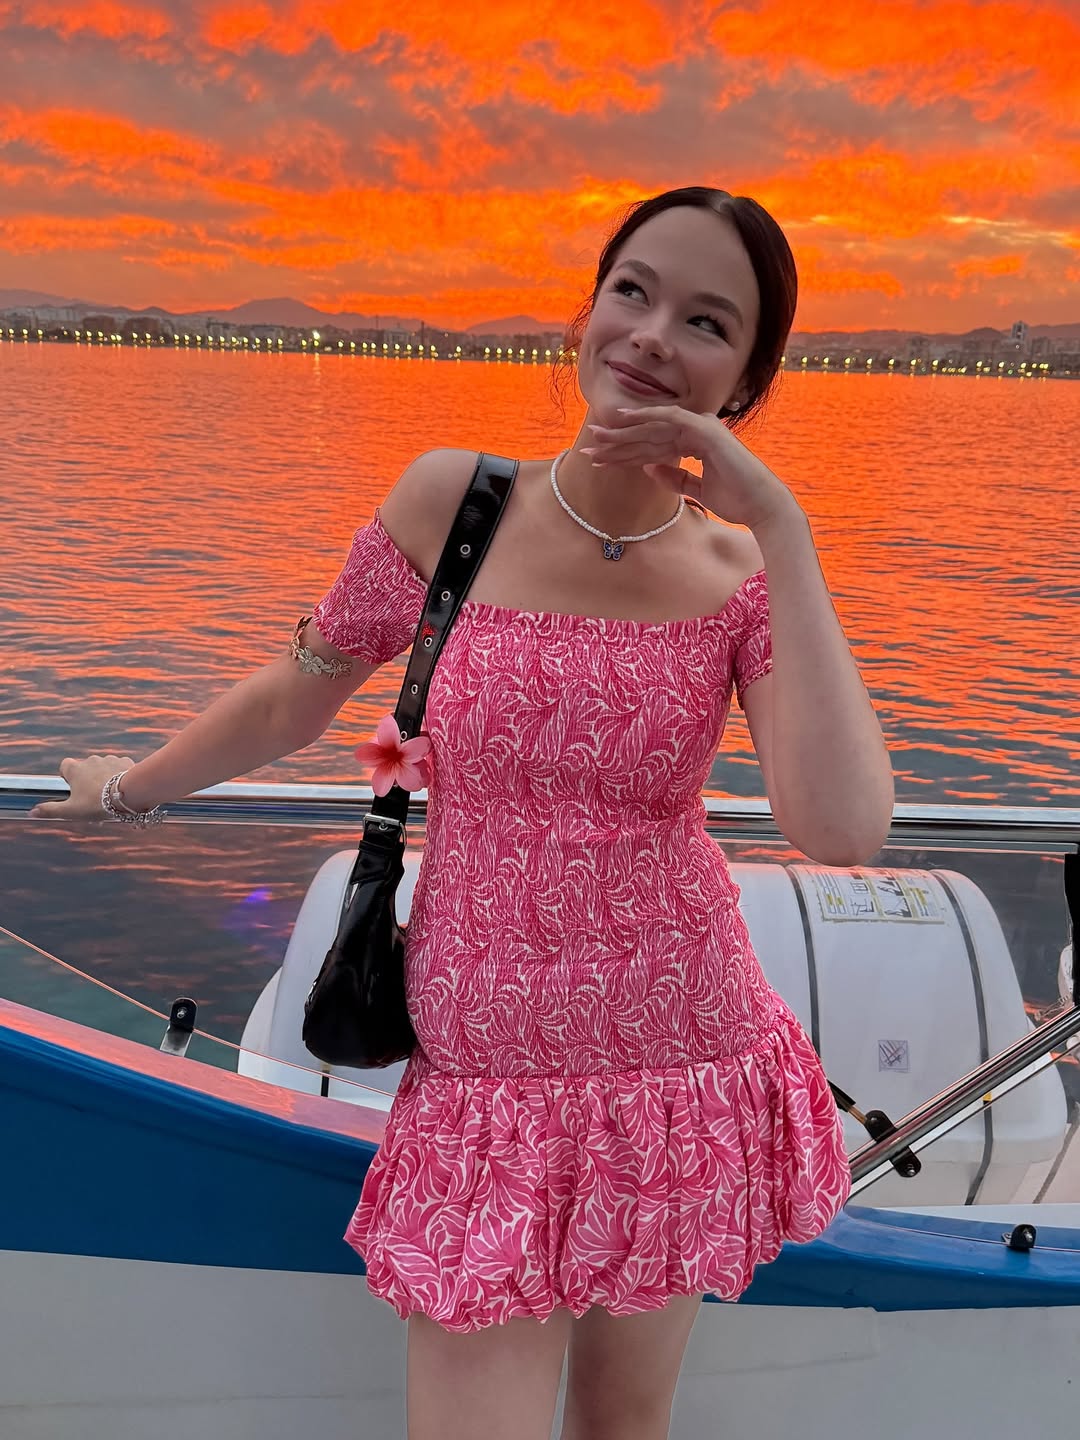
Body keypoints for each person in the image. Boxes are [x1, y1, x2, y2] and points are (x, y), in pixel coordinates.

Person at [32, 185, 895, 1440]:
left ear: (747, 381)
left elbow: (843, 826)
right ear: (589, 311)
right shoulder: (455, 507)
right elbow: (299, 690)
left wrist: (783, 521)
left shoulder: (740, 571)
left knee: (621, 1428)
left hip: (680, 1057)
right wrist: (126, 789)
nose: (654, 336)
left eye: (707, 322)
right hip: (486, 1075)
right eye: (634, 291)